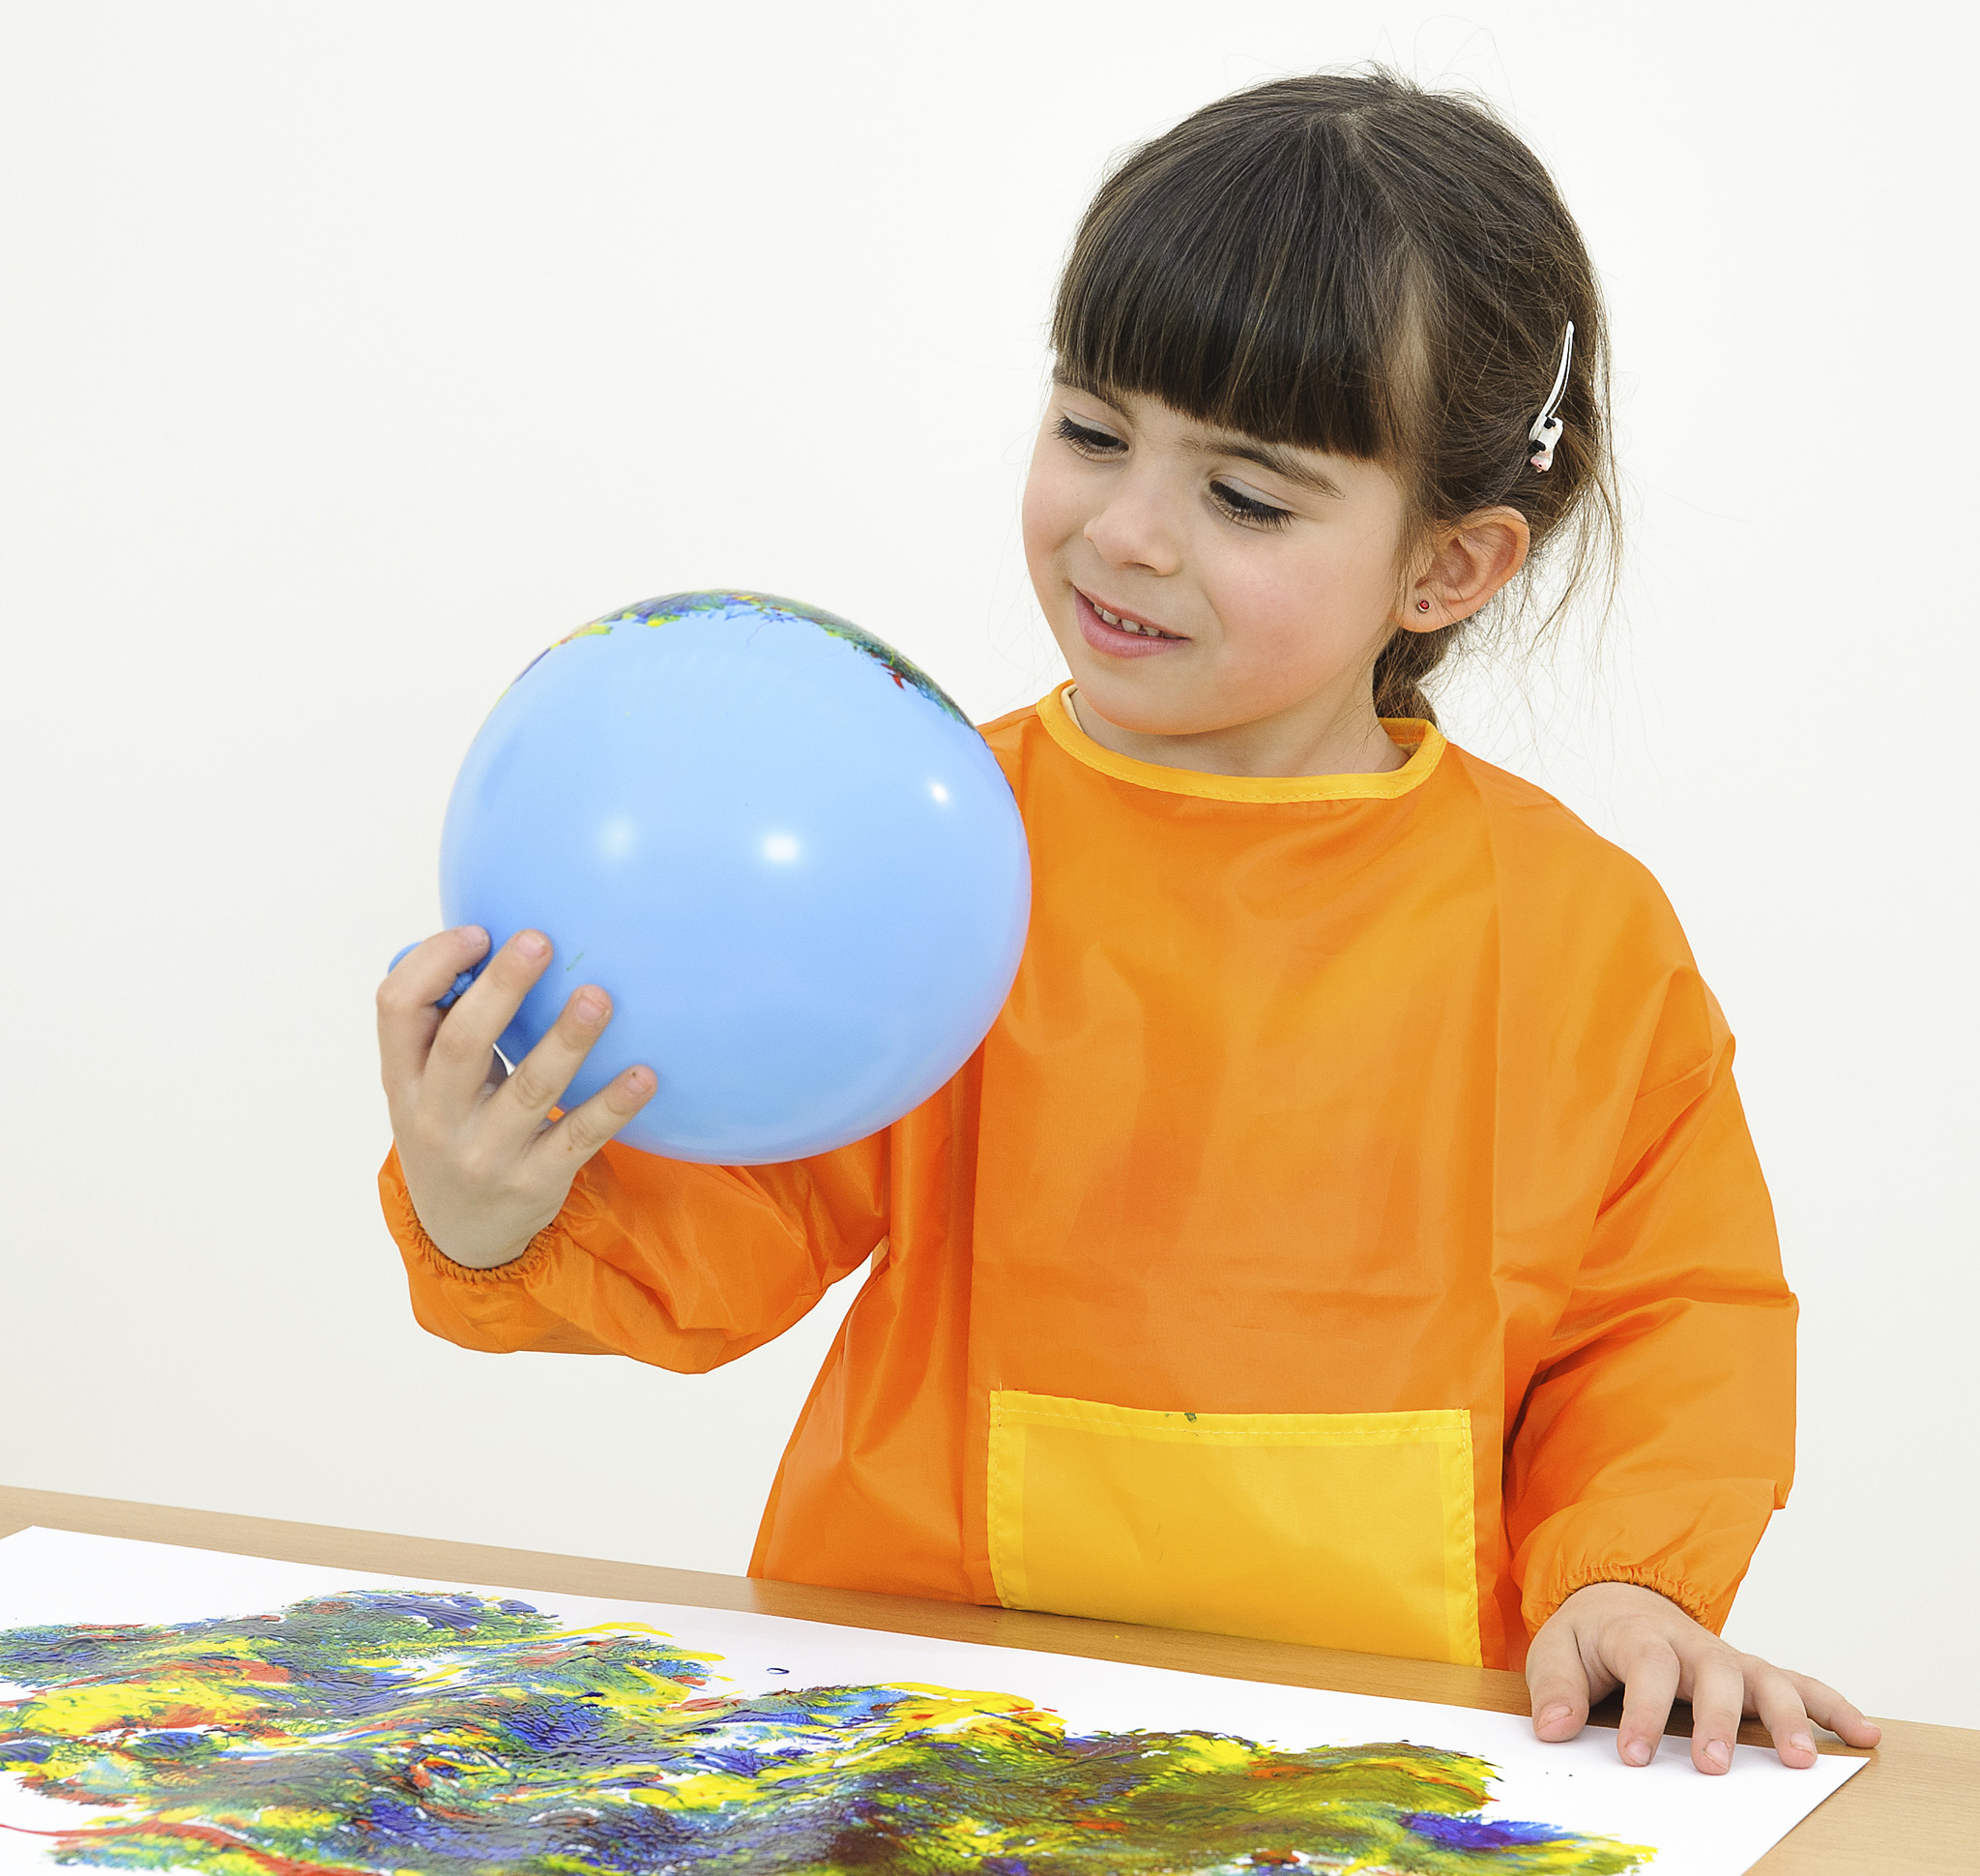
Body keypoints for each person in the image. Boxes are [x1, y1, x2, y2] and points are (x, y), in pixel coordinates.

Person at [375, 68, 1879, 1775]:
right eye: (1092, 431)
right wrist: (496, 1209)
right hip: (916, 1736)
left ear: (1447, 568)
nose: (1127, 531)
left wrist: (1628, 1582)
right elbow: (729, 1212)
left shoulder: (1574, 926)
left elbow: (1671, 1313)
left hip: (1386, 1785)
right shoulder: (926, 850)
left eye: (1249, 497)